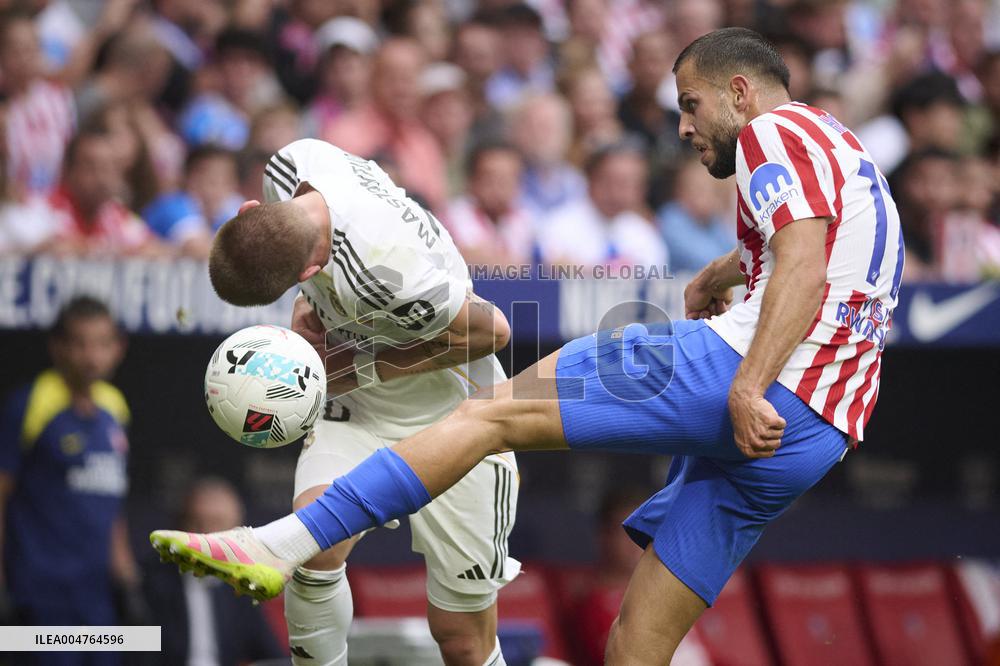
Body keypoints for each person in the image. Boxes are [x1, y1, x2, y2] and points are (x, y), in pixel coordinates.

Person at [151, 28, 905, 663]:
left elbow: (803, 268)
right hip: (821, 427)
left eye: (691, 104)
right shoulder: (843, 147)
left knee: (492, 414)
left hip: (753, 377)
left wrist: (748, 382)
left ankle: (281, 544)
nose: (683, 126)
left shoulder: (774, 131)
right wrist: (726, 268)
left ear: (741, 91)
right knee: (636, 645)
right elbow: (834, 255)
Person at [158, 138, 519, 666]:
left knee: (461, 639)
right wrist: (308, 310)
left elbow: (493, 333)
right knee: (314, 549)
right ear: (251, 207)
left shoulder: (389, 271)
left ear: (307, 268)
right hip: (356, 409)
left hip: (453, 416)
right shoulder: (290, 163)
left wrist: (353, 368)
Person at [0, 297, 144, 666]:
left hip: (97, 593)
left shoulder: (115, 406)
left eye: (101, 343)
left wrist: (127, 579)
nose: (91, 356)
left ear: (118, 348)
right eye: (80, 343)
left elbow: (112, 501)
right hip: (41, 591)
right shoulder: (32, 403)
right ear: (58, 347)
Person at [144, 477, 285, 666]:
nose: (206, 535)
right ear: (179, 526)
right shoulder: (149, 582)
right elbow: (127, 643)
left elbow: (271, 655)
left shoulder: (242, 588)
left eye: (217, 523)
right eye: (196, 522)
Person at [536, 142, 668, 268]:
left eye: (626, 184)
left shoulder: (645, 235)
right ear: (590, 179)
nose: (616, 193)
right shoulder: (557, 226)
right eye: (609, 181)